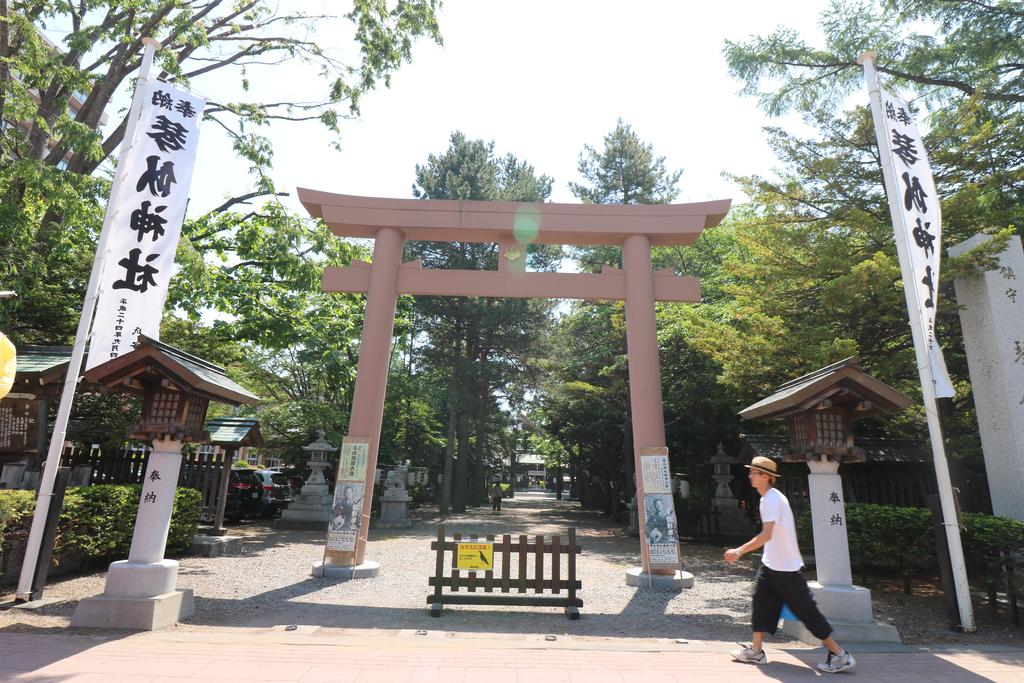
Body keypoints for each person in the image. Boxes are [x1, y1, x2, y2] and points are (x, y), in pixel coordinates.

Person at [724, 456, 856, 674]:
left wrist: (739, 551)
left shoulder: (772, 500)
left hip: (785, 569)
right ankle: (756, 651)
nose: (750, 476)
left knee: (806, 612)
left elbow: (767, 535)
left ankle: (840, 654)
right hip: (771, 565)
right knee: (760, 603)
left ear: (765, 476)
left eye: (754, 473)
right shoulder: (768, 498)